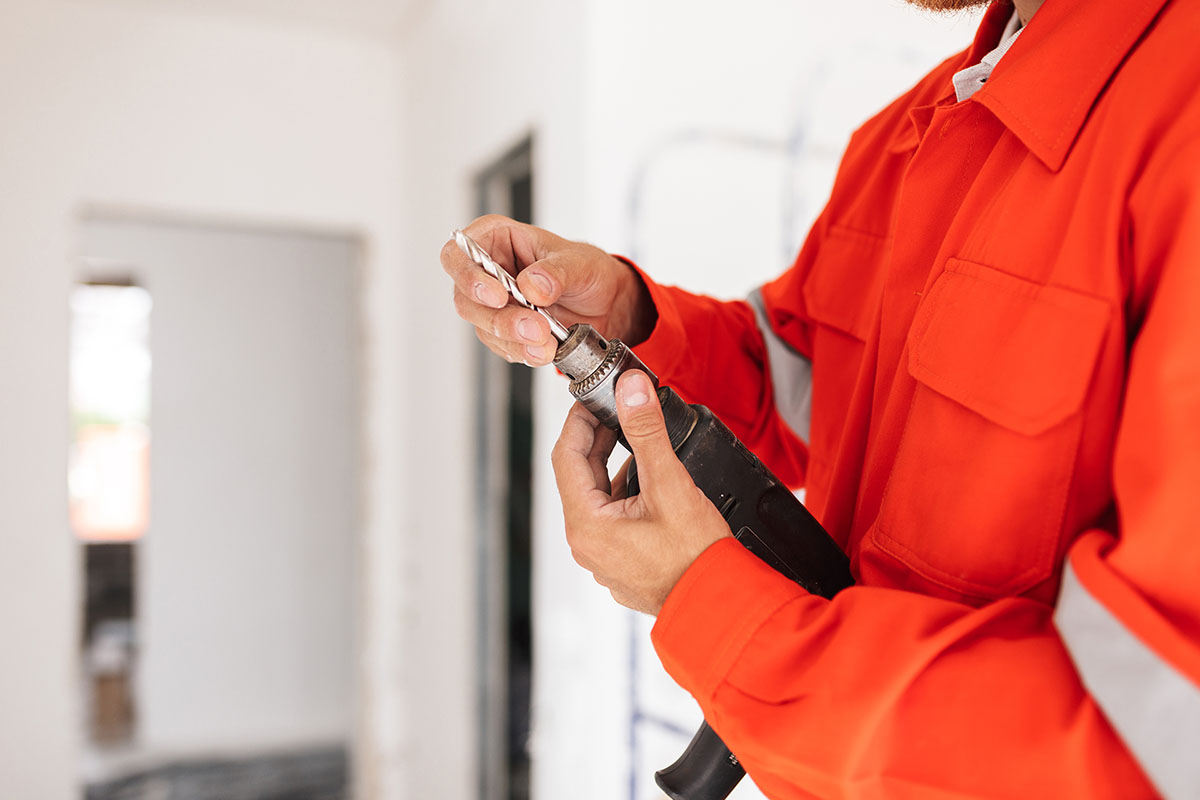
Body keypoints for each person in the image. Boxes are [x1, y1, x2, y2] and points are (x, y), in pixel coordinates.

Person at [441, 0, 1200, 794]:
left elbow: (1143, 753)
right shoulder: (909, 132)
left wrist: (710, 607)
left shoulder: (1178, 111)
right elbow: (801, 379)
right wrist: (630, 315)